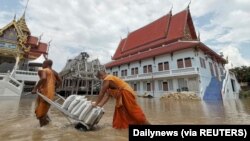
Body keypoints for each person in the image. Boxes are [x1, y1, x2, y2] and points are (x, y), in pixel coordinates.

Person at [32, 59, 62, 127]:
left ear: (46, 64)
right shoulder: (54, 72)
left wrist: (35, 88)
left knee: (40, 114)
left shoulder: (44, 70)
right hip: (50, 94)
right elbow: (60, 81)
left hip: (44, 94)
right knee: (43, 111)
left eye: (43, 64)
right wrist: (54, 88)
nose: (42, 65)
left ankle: (42, 130)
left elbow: (43, 78)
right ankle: (49, 124)